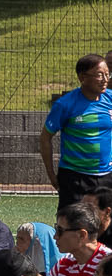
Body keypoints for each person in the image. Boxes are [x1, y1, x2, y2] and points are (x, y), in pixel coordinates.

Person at [39, 53, 112, 210]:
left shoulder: (110, 99)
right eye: (100, 75)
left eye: (107, 74)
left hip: (106, 175)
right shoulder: (65, 105)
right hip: (74, 176)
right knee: (72, 225)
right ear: (82, 77)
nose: (105, 79)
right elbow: (45, 138)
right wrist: (51, 174)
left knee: (106, 226)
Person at [52, 207, 110, 276]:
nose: (55, 236)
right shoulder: (64, 263)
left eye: (60, 230)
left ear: (82, 235)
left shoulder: (107, 263)